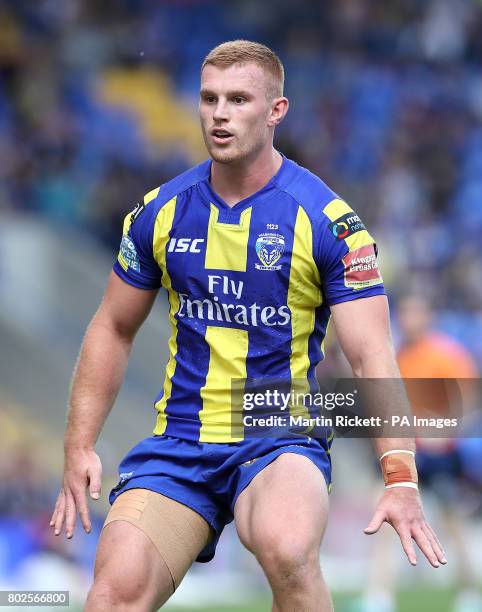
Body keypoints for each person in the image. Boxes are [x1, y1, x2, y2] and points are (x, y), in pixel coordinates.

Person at [50, 40, 446, 611]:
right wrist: (79, 443)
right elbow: (113, 327)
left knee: (286, 547)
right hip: (182, 440)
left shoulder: (329, 222)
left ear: (276, 111)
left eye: (238, 99)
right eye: (209, 98)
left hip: (279, 436)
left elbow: (372, 358)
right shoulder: (160, 211)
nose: (220, 113)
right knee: (111, 594)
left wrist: (400, 476)